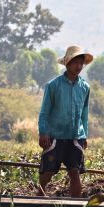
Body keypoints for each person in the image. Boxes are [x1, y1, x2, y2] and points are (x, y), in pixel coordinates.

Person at [38, 45, 93, 197]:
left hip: (75, 136)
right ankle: (39, 196)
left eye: (81, 63)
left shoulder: (85, 87)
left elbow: (84, 114)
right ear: (67, 63)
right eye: (75, 62)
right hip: (55, 135)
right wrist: (43, 132)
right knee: (48, 172)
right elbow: (44, 112)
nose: (79, 66)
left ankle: (75, 206)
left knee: (75, 172)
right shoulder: (53, 85)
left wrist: (84, 135)